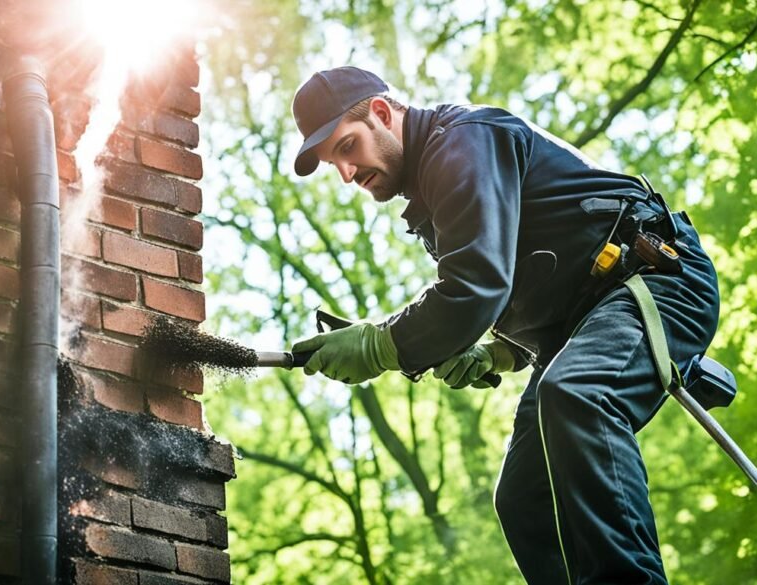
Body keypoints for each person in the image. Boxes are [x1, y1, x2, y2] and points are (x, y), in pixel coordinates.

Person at [289, 66, 721, 584]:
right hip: (584, 322)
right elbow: (525, 285)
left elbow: (474, 288)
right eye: (334, 161)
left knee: (576, 393)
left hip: (656, 281)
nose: (346, 173)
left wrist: (382, 345)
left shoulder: (463, 143)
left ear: (382, 113)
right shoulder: (435, 188)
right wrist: (497, 353)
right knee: (521, 496)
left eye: (347, 147)